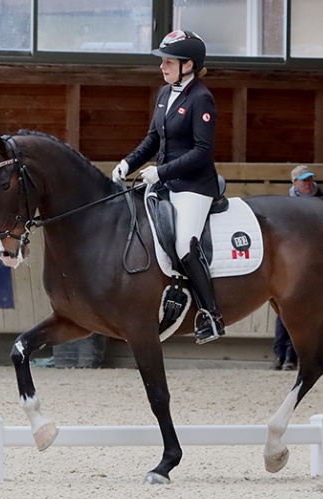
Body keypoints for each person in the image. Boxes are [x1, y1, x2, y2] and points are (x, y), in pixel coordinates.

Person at [111, 30, 225, 344]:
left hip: (194, 186)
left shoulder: (201, 97)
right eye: (162, 61)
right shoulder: (164, 94)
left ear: (188, 64)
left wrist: (160, 172)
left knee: (184, 245)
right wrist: (128, 163)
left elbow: (202, 151)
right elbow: (152, 139)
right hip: (165, 181)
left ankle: (211, 315)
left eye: (168, 61)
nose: (162, 67)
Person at [273, 165, 323, 370]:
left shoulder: (320, 202)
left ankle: (291, 356)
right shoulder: (286, 204)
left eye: (309, 179)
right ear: (294, 182)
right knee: (283, 311)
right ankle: (280, 354)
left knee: (300, 311)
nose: (308, 183)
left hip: (311, 261)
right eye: (303, 180)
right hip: (290, 262)